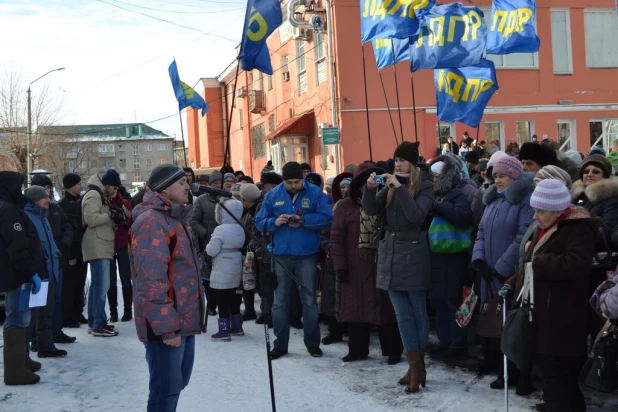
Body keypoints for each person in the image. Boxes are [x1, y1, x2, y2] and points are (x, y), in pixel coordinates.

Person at [503, 180, 598, 412]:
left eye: (540, 211)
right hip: (542, 316)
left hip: (561, 320)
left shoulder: (578, 229)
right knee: (551, 377)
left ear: (557, 210)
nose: (535, 216)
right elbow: (528, 265)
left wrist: (539, 262)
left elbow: (576, 263)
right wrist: (511, 282)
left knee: (558, 376)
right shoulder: (545, 227)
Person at [130, 165, 205, 412]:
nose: (188, 186)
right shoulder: (151, 222)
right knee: (165, 390)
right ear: (164, 188)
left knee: (177, 384)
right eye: (182, 182)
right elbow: (150, 281)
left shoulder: (174, 218)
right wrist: (167, 328)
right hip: (166, 325)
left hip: (183, 320)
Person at [363, 141, 434, 394]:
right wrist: (370, 189)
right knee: (402, 316)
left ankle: (418, 367)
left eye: (403, 159)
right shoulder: (393, 184)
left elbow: (417, 216)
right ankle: (414, 366)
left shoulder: (424, 184)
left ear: (412, 162)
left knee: (417, 312)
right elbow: (370, 209)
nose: (398, 163)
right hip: (390, 253)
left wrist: (399, 187)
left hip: (413, 252)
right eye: (396, 159)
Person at [255, 161, 333, 359]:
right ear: (283, 180)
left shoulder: (315, 193)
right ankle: (280, 345)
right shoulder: (272, 195)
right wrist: (275, 222)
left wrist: (305, 221)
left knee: (309, 301)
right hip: (280, 255)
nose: (293, 186)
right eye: (289, 182)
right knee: (280, 303)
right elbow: (259, 223)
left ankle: (312, 344)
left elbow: (327, 218)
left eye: (297, 182)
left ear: (302, 179)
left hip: (306, 254)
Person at [472, 155, 535, 393]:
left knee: (512, 325)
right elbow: (480, 232)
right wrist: (478, 259)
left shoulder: (525, 200)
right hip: (487, 272)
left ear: (515, 176)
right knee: (494, 322)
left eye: (502, 176)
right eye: (495, 175)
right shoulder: (493, 201)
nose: (497, 180)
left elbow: (522, 236)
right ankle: (500, 368)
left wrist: (500, 268)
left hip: (508, 274)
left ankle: (517, 373)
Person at [331, 162, 402, 363]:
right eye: (365, 183)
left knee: (386, 310)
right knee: (356, 309)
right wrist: (340, 266)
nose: (369, 186)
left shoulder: (387, 202)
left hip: (383, 264)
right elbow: (336, 238)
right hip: (356, 267)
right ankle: (357, 350)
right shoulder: (344, 206)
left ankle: (393, 351)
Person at [426, 157, 473, 358]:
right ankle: (445, 340)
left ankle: (457, 342)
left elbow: (464, 217)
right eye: (432, 177)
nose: (434, 181)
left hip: (454, 255)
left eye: (437, 177)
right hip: (438, 254)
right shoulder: (436, 197)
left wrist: (439, 206)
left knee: (453, 298)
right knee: (439, 299)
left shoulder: (456, 195)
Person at [1, 172, 44, 385]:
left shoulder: (8, 207)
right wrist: (31, 272)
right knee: (17, 319)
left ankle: (22, 359)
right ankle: (15, 370)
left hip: (15, 272)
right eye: (18, 187)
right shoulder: (7, 210)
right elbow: (17, 247)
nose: (21, 192)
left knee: (21, 317)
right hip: (16, 274)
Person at [571, 154, 618, 343]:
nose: (589, 174)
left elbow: (606, 233)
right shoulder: (577, 197)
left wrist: (581, 222)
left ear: (605, 176)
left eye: (596, 171)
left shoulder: (611, 199)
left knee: (595, 322)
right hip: (578, 266)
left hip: (597, 270)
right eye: (586, 171)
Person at [23, 186, 67, 358]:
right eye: (45, 197)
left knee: (46, 313)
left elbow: (49, 241)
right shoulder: (27, 217)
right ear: (35, 200)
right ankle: (23, 355)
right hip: (37, 274)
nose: (49, 200)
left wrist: (56, 252)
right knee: (33, 315)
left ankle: (46, 346)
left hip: (50, 271)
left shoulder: (43, 216)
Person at [30, 174, 75, 344]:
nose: (48, 192)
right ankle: (36, 337)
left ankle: (55, 331)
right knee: (39, 302)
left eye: (48, 188)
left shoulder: (55, 208)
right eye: (44, 188)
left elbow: (67, 226)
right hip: (41, 263)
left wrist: (63, 245)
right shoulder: (31, 213)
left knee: (56, 298)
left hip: (57, 258)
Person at [82, 170, 119, 337]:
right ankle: (99, 324)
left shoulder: (100, 195)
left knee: (97, 286)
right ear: (107, 184)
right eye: (114, 187)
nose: (115, 191)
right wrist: (110, 214)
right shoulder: (94, 195)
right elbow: (91, 219)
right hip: (97, 245)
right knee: (101, 287)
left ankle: (94, 322)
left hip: (100, 244)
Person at [206, 198, 245, 341]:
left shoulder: (220, 229)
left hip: (222, 263)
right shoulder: (240, 227)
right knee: (234, 296)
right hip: (236, 261)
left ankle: (223, 330)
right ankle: (237, 326)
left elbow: (212, 250)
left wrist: (207, 247)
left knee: (221, 297)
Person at [190, 170, 223, 316]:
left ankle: (219, 303)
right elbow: (194, 220)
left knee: (221, 274)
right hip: (207, 241)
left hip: (224, 242)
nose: (217, 185)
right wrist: (204, 232)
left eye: (219, 182)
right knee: (208, 275)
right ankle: (210, 304)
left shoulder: (225, 199)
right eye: (214, 183)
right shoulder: (201, 200)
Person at [253, 171, 283, 327]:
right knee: (266, 286)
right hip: (265, 251)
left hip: (281, 250)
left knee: (278, 286)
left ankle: (280, 315)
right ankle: (267, 314)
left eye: (263, 187)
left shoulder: (283, 200)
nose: (262, 190)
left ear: (273, 187)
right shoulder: (262, 201)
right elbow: (256, 225)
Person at [59, 173, 88, 328]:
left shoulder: (79, 202)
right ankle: (67, 316)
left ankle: (77, 313)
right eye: (78, 184)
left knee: (80, 283)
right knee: (69, 285)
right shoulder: (63, 205)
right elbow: (66, 231)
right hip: (72, 252)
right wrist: (70, 254)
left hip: (82, 250)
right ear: (70, 186)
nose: (80, 186)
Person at [107, 189, 133, 323]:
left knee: (126, 279)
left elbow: (131, 223)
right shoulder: (103, 203)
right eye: (109, 187)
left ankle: (128, 310)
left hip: (123, 245)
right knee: (110, 281)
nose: (111, 191)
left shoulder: (124, 203)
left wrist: (122, 218)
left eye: (115, 188)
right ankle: (113, 312)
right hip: (108, 245)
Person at [239, 183, 263, 321]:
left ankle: (264, 313)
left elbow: (253, 232)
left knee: (259, 282)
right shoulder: (250, 210)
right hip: (250, 250)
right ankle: (250, 310)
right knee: (249, 281)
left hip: (255, 251)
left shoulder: (255, 211)